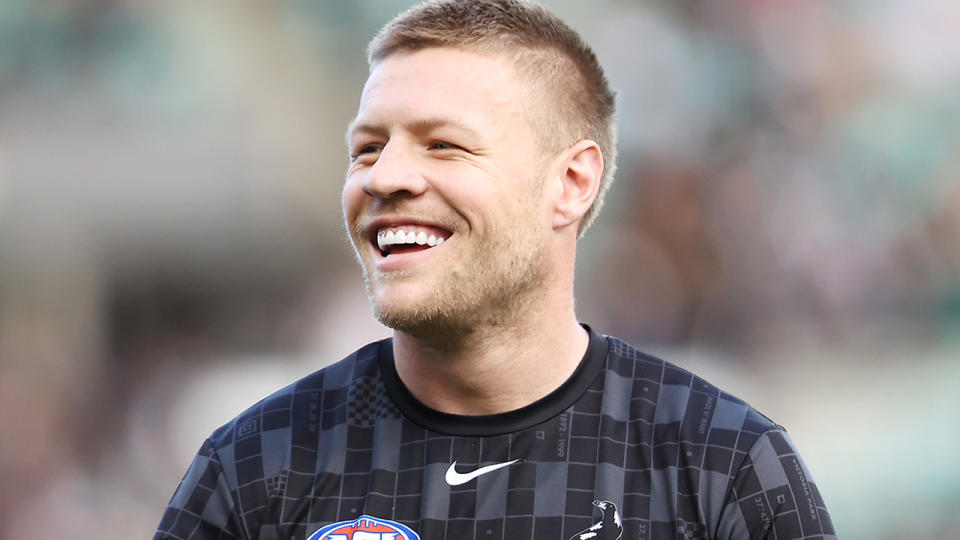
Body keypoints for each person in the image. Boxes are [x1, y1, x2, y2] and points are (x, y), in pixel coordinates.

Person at [155, 1, 835, 539]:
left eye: (443, 145)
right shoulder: (259, 462)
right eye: (366, 150)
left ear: (570, 183)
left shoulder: (720, 463)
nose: (386, 176)